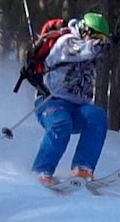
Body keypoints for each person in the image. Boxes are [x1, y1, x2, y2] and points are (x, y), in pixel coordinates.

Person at [31, 12, 113, 186]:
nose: (98, 41)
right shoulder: (67, 41)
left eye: (101, 38)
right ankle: (41, 171)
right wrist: (101, 45)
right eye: (96, 36)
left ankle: (83, 169)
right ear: (85, 31)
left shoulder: (94, 50)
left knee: (97, 116)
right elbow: (83, 49)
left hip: (77, 107)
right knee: (61, 124)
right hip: (50, 102)